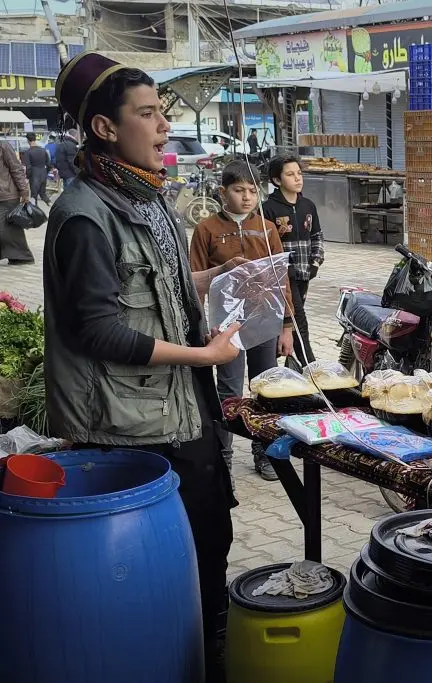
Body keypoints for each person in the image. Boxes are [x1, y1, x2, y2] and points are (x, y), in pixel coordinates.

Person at [44, 52, 240, 681]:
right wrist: (205, 355)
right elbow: (100, 330)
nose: (163, 128)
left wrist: (216, 279)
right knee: (164, 570)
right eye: (149, 114)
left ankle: (210, 658)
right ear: (105, 128)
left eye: (164, 112)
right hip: (133, 427)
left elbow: (160, 291)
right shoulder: (82, 214)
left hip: (187, 410)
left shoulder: (149, 198)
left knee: (212, 547)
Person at [190, 159, 295, 481]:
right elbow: (193, 280)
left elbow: (281, 280)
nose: (247, 197)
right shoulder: (206, 229)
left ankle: (265, 454)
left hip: (264, 319)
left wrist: (287, 326)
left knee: (266, 388)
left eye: (252, 190)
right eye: (238, 190)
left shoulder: (267, 228)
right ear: (223, 192)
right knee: (229, 391)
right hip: (226, 327)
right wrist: (200, 328)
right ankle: (222, 460)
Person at [262, 154, 324, 369]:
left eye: (299, 173)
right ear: (276, 180)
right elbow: (265, 245)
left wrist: (315, 261)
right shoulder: (268, 209)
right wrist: (281, 268)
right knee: (299, 319)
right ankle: (311, 367)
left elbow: (317, 236)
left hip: (305, 272)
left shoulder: (308, 205)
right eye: (290, 174)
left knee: (289, 319)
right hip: (281, 276)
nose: (297, 178)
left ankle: (280, 361)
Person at [0, 139, 31, 265]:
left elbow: (16, 169)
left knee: (7, 228)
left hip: (7, 194)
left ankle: (22, 256)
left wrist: (24, 191)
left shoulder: (3, 146)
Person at [25, 132, 51, 205]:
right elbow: (49, 164)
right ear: (35, 139)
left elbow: (28, 167)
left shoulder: (28, 152)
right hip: (43, 173)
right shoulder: (43, 150)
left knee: (34, 197)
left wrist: (27, 176)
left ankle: (35, 214)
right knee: (43, 194)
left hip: (34, 175)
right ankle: (51, 205)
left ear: (28, 140)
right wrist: (46, 172)